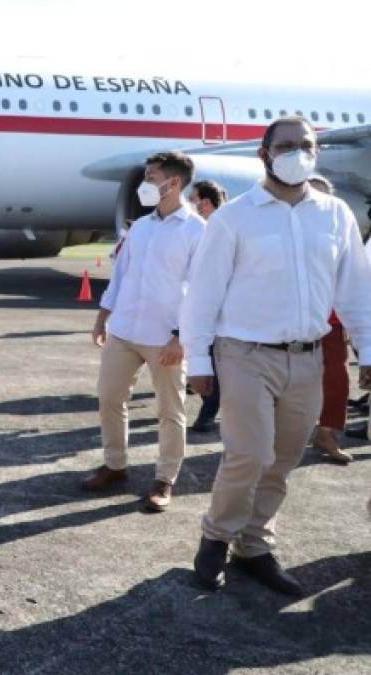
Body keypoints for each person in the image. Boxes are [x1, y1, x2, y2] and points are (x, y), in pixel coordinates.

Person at [183, 117, 371, 596]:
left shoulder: (335, 214)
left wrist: (367, 349)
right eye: (285, 145)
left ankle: (255, 546)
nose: (297, 152)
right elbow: (203, 295)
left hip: (308, 357)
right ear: (263, 153)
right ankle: (215, 538)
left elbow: (355, 292)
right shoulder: (235, 217)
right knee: (249, 454)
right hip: (245, 353)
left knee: (283, 458)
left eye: (305, 145)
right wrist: (199, 363)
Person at [84, 151, 205, 513]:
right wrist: (103, 314)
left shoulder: (197, 230)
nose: (145, 183)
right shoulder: (141, 227)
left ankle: (164, 479)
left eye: (151, 177)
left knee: (170, 410)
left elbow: (202, 289)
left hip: (165, 336)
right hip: (124, 329)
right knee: (109, 397)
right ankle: (115, 465)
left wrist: (182, 337)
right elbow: (122, 274)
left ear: (174, 183)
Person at [305, 175, 354, 463]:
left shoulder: (339, 234)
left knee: (337, 382)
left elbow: (353, 282)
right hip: (294, 326)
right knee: (288, 384)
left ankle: (326, 437)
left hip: (333, 323)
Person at [186, 179, 228, 433]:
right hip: (204, 308)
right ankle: (210, 409)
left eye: (193, 199)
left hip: (222, 312)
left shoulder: (222, 227)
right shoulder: (205, 227)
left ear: (205, 202)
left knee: (213, 363)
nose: (191, 204)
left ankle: (208, 412)